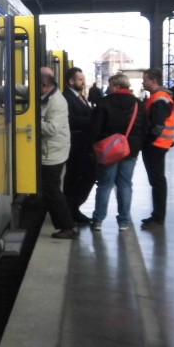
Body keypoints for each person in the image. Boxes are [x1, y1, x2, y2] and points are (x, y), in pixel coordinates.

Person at [88, 72, 145, 232]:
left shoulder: (104, 103)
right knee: (125, 185)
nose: (109, 88)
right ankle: (124, 222)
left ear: (116, 86)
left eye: (111, 85)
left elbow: (95, 127)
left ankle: (98, 220)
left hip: (108, 150)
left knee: (105, 185)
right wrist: (138, 146)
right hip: (130, 150)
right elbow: (144, 128)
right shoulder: (138, 104)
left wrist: (91, 147)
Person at [39, 67, 76, 239]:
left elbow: (51, 129)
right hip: (51, 149)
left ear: (45, 84)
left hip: (52, 151)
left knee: (52, 189)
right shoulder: (47, 94)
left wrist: (32, 117)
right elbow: (22, 89)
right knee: (50, 188)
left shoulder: (57, 102)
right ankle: (66, 224)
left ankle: (67, 226)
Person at [139, 68, 174, 229]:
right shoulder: (160, 97)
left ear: (153, 80)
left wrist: (148, 141)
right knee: (157, 180)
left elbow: (158, 125)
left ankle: (158, 216)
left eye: (145, 79)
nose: (143, 82)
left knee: (157, 181)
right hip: (160, 145)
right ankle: (157, 215)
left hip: (156, 146)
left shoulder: (159, 99)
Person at [61, 66, 96, 224]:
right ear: (71, 81)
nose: (84, 82)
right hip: (75, 145)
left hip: (84, 145)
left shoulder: (79, 97)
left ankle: (73, 209)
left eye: (83, 79)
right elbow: (70, 121)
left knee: (85, 176)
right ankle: (70, 210)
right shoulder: (66, 98)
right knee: (74, 178)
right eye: (80, 79)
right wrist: (94, 121)